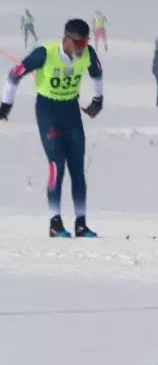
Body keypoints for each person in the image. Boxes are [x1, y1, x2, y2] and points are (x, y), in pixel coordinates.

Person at [0, 18, 104, 237]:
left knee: (77, 168)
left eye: (85, 43)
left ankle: (81, 224)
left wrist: (98, 100)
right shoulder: (45, 54)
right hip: (48, 112)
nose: (81, 48)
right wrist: (6, 105)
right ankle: (55, 223)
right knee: (57, 164)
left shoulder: (87, 53)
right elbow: (14, 74)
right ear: (66, 39)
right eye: (78, 43)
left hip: (71, 112)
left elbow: (96, 74)